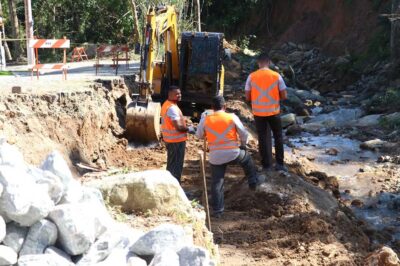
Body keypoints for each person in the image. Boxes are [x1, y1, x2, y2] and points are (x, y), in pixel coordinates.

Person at [196, 95, 259, 218]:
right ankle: (253, 181)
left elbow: (199, 135)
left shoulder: (206, 119)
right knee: (247, 159)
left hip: (215, 156)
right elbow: (244, 133)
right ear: (224, 106)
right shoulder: (231, 117)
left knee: (217, 182)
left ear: (212, 107)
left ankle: (218, 210)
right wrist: (243, 145)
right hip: (233, 153)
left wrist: (202, 120)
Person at [245, 52, 288, 172]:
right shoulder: (276, 76)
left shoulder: (251, 76)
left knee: (262, 138)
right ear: (269, 63)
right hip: (274, 111)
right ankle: (280, 164)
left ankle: (266, 165)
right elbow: (284, 95)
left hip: (258, 113)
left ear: (258, 63)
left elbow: (247, 96)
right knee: (278, 137)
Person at [161, 86, 195, 183]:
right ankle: (174, 186)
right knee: (175, 167)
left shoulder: (167, 104)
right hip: (176, 141)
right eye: (176, 94)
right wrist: (189, 129)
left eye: (179, 93)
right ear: (170, 94)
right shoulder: (172, 108)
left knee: (171, 165)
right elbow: (179, 127)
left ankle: (170, 186)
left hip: (171, 140)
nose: (179, 95)